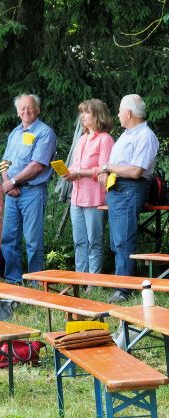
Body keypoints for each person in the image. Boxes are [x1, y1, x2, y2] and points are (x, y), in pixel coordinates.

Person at [102, 94, 159, 303]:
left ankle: (124, 289)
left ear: (128, 113)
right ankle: (120, 283)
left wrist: (107, 167)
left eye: (119, 111)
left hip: (130, 188)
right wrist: (107, 173)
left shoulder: (145, 136)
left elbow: (135, 171)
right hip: (117, 189)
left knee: (124, 239)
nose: (117, 114)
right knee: (117, 240)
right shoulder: (127, 134)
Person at [0, 94, 57, 283]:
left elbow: (37, 165)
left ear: (38, 109)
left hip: (33, 192)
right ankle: (13, 279)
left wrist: (13, 182)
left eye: (30, 107)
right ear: (17, 112)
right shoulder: (15, 133)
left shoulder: (45, 132)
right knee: (9, 239)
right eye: (22, 108)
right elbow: (4, 163)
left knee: (33, 241)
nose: (26, 111)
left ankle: (35, 281)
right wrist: (9, 185)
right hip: (12, 193)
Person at [60, 99, 114, 280]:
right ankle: (80, 278)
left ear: (98, 115)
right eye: (81, 112)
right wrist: (68, 173)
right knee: (79, 242)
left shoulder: (106, 139)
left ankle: (93, 281)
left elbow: (103, 169)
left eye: (87, 112)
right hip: (77, 197)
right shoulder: (82, 139)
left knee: (94, 242)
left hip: (95, 197)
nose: (82, 116)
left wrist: (79, 172)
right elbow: (76, 166)